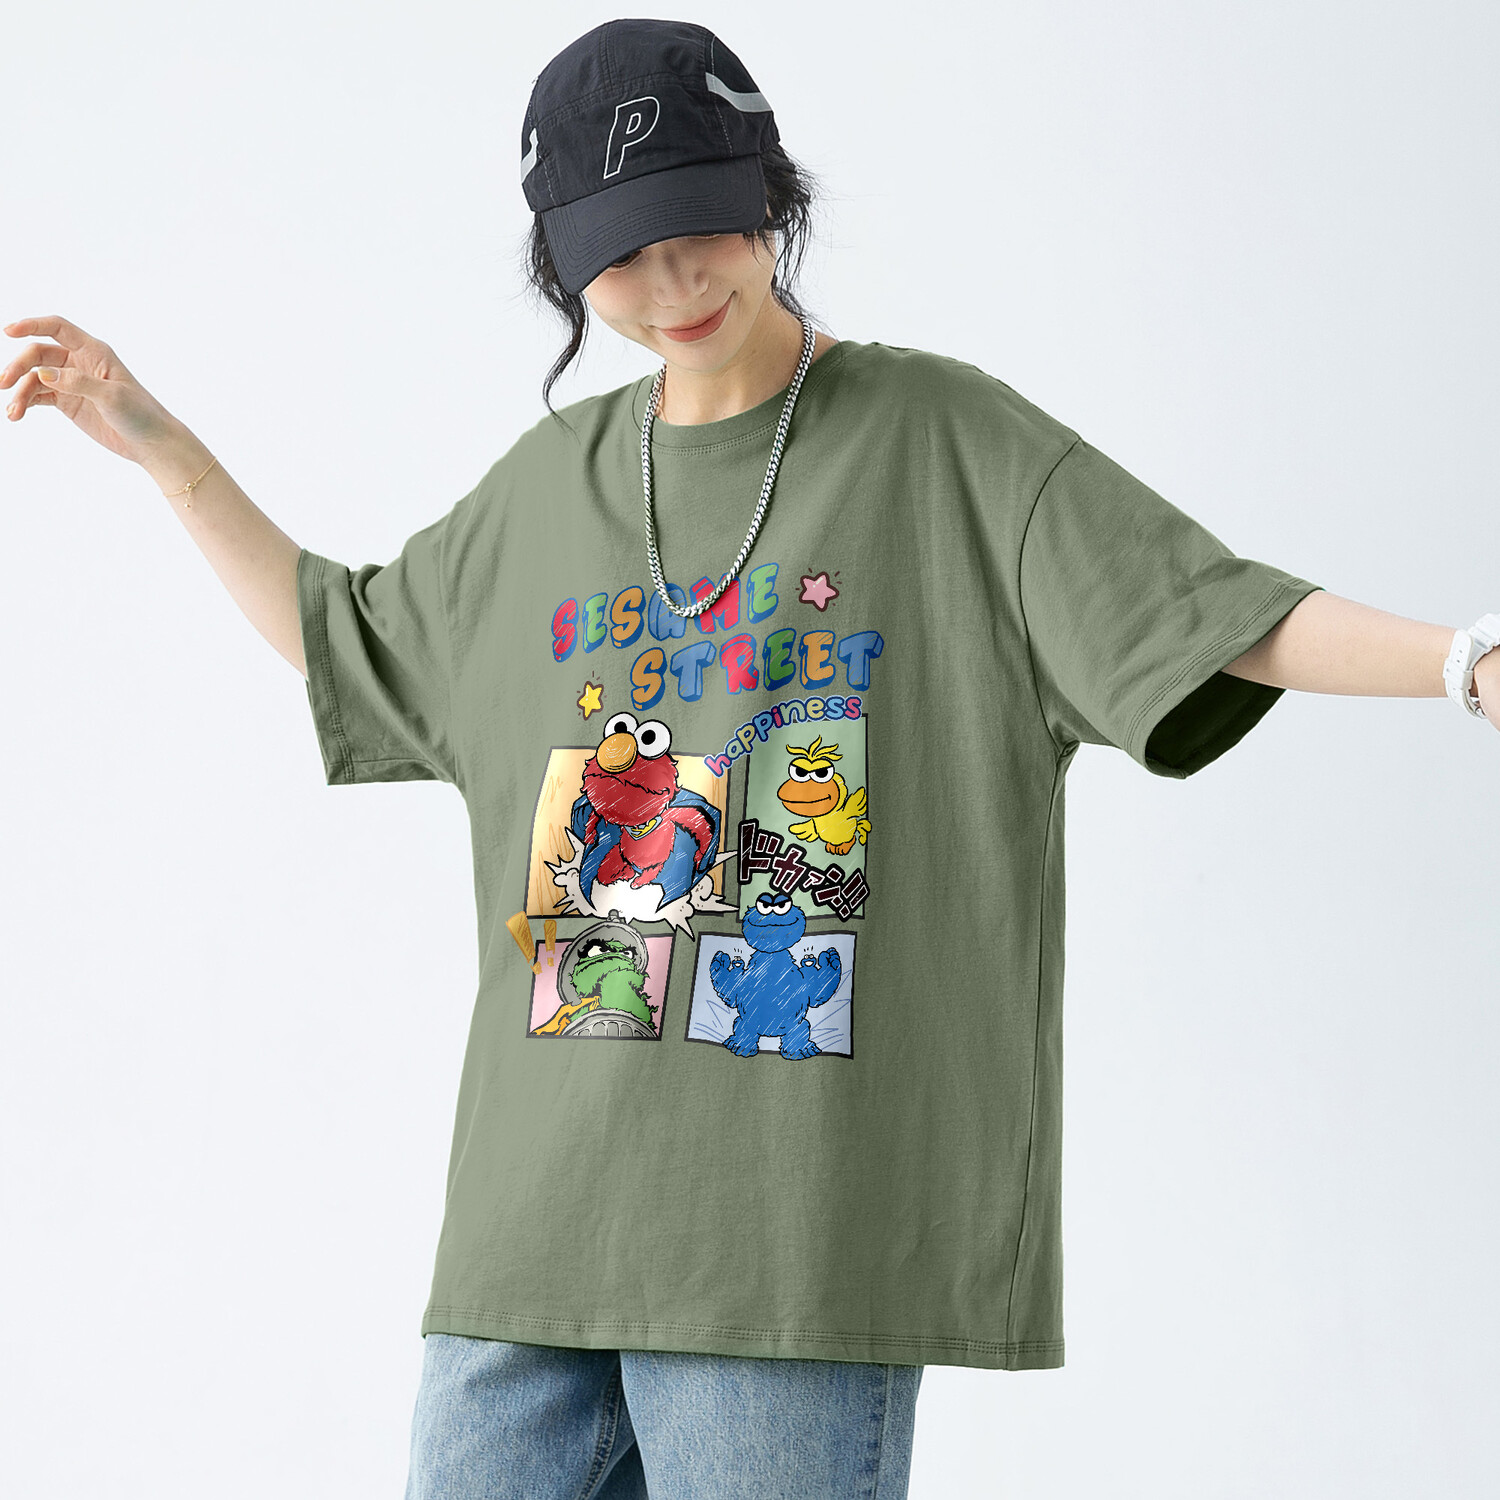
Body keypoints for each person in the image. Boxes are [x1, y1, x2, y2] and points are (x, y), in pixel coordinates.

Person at [4, 17, 1495, 1500]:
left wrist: (1463, 660)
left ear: (771, 195)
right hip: (525, 1248)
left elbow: (1203, 611)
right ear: (564, 269)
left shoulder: (943, 440)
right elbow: (352, 641)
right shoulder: (551, 485)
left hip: (785, 1248)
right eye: (622, 258)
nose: (673, 288)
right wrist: (163, 449)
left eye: (702, 230)